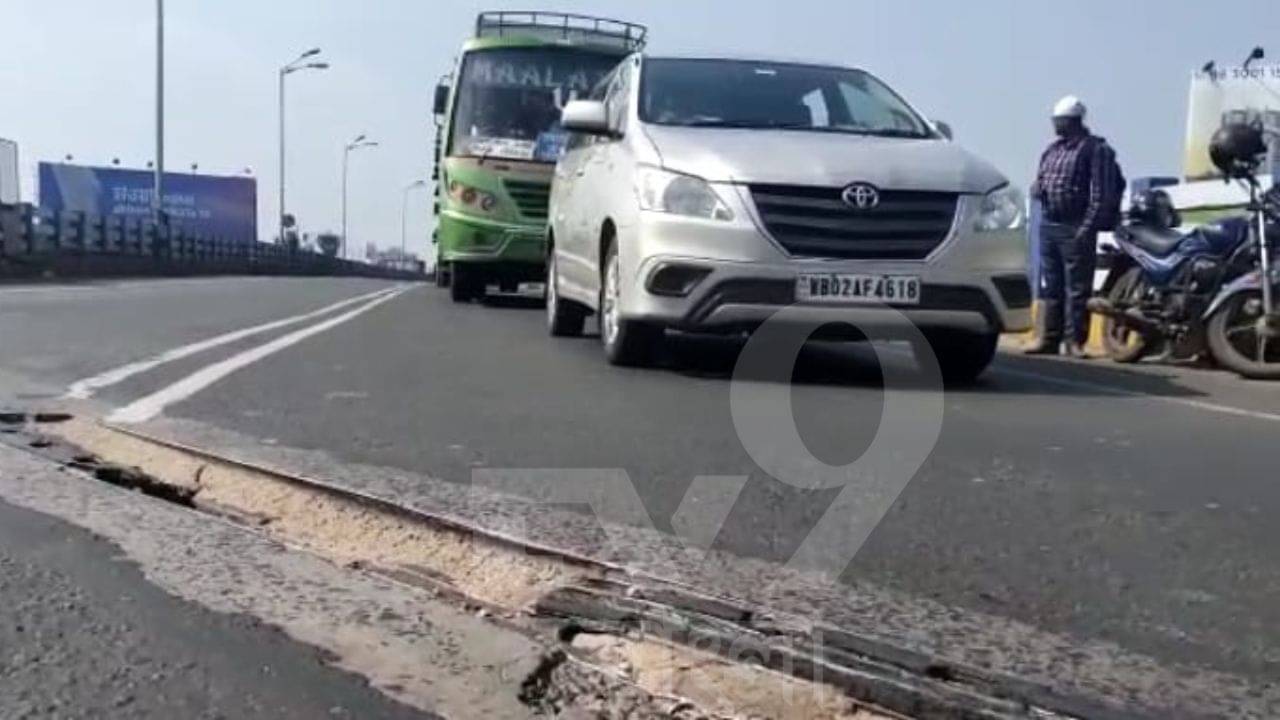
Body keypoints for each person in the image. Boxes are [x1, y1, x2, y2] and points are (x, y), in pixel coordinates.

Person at [1027, 96, 1123, 357]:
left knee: (1077, 289)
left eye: (1059, 121)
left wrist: (1086, 228)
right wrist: (1039, 189)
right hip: (1050, 223)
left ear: (1073, 121)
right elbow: (1041, 180)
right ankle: (1048, 338)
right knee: (1051, 286)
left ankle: (1074, 341)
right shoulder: (1052, 150)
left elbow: (1101, 193)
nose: (1055, 125)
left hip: (1076, 225)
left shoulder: (1095, 149)